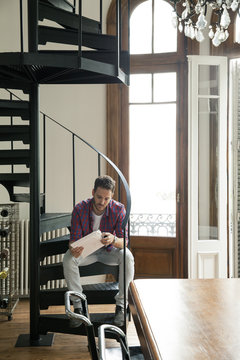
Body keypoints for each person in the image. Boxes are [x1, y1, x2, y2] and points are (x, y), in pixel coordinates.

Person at [63, 175, 135, 327]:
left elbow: (125, 241)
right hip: (87, 252)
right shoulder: (80, 208)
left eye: (106, 198)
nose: (102, 202)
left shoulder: (119, 209)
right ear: (92, 192)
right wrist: (73, 248)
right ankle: (78, 307)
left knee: (127, 256)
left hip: (109, 251)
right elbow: (73, 240)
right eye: (99, 197)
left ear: (112, 196)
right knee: (68, 259)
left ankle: (121, 305)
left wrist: (113, 239)